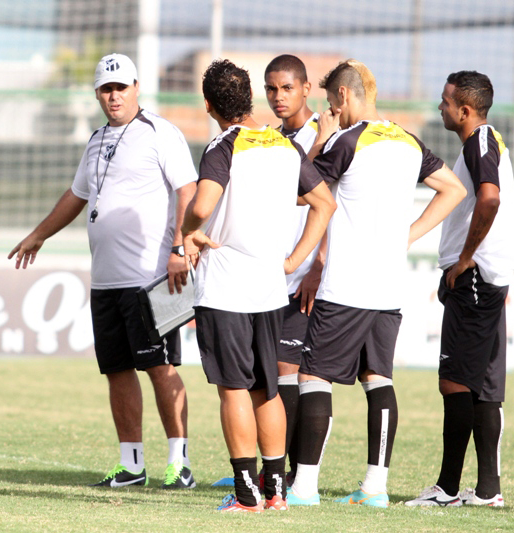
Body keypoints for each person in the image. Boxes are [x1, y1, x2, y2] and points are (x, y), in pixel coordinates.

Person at [9, 53, 198, 489]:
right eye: (106, 89)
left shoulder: (160, 132)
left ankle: (180, 462)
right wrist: (39, 234)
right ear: (97, 93)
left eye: (121, 87)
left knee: (161, 366)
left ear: (136, 88)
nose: (114, 96)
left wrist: (179, 246)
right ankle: (132, 465)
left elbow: (186, 189)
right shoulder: (95, 139)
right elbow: (77, 196)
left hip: (151, 276)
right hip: (107, 278)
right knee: (116, 370)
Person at [289, 59, 466, 508]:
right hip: (388, 288)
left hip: (346, 285)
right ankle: (375, 488)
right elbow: (453, 189)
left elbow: (298, 190)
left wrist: (320, 141)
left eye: (331, 103)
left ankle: (305, 487)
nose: (331, 111)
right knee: (378, 378)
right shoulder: (406, 140)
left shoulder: (347, 140)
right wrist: (408, 234)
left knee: (313, 377)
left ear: (344, 96)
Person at [182, 59, 336, 512]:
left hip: (227, 288)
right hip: (270, 289)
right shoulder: (283, 145)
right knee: (266, 390)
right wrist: (293, 259)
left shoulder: (222, 146)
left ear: (208, 104)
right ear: (249, 96)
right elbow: (323, 203)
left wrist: (191, 228)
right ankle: (276, 492)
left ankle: (247, 493)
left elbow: (204, 202)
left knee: (233, 389)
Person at [407, 71, 514, 508]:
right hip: (491, 280)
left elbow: (488, 198)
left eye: (445, 100)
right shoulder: (489, 142)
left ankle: (448, 490)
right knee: (484, 387)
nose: (441, 107)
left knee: (454, 384)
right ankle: (488, 491)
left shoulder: (478, 142)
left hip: (475, 278)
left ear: (465, 110)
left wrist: (467, 256)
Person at [263, 53, 329, 489]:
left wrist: (318, 265)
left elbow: (333, 204)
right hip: (270, 274)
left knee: (294, 373)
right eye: (271, 89)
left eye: (287, 88)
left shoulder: (326, 133)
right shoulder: (268, 137)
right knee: (272, 374)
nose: (278, 97)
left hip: (305, 275)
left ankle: (292, 476)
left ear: (306, 88)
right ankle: (274, 471)